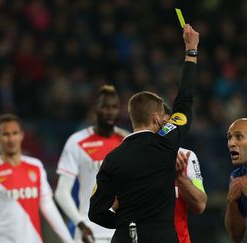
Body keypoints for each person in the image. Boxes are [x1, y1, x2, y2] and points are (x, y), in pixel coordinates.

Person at [88, 23, 199, 243]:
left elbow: (95, 212)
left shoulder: (112, 158)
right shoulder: (166, 143)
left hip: (125, 236)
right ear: (157, 118)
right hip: (161, 237)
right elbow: (184, 102)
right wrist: (191, 51)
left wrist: (122, 221)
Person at [0, 114, 73, 243]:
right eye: (6, 134)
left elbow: (48, 206)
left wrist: (69, 240)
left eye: (15, 133)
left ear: (22, 135)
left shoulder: (36, 166)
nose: (11, 139)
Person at [54, 85, 129, 243]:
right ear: (95, 108)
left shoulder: (127, 142)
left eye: (114, 107)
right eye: (105, 106)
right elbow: (61, 192)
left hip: (122, 231)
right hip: (89, 233)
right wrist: (81, 225)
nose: (110, 112)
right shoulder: (77, 142)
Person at [163, 104, 207, 243]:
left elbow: (200, 204)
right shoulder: (138, 157)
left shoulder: (186, 156)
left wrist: (180, 177)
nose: (164, 131)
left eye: (167, 125)